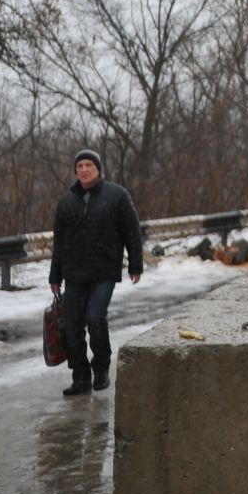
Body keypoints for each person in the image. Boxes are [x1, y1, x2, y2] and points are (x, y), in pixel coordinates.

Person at [47, 147, 144, 397]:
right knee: (72, 325)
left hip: (104, 270)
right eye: (79, 166)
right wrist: (55, 277)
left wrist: (136, 264)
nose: (84, 170)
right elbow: (59, 243)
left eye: (89, 165)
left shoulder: (117, 196)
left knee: (95, 318)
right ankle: (80, 377)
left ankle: (101, 367)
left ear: (98, 169)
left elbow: (132, 232)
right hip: (74, 273)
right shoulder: (66, 202)